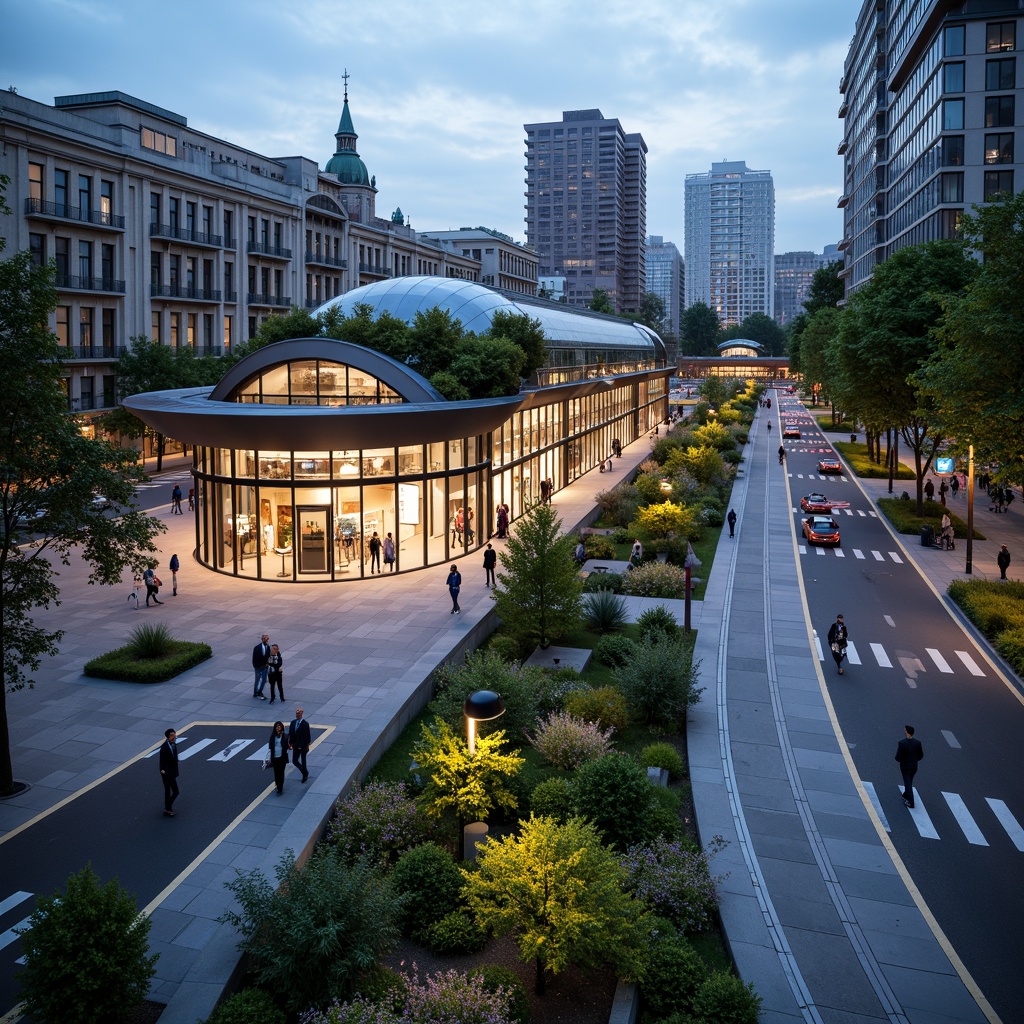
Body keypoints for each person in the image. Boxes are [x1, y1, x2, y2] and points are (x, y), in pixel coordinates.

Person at [895, 725, 924, 808]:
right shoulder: (917, 743)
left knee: (907, 783)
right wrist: (914, 760)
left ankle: (910, 802)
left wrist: (902, 760)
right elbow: (921, 755)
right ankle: (905, 794)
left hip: (905, 766)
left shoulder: (902, 743)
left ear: (907, 732)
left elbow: (898, 757)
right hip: (914, 766)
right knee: (909, 780)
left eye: (905, 730)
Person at [159, 727, 180, 817]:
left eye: (174, 734)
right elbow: (162, 762)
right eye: (172, 735)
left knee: (175, 791)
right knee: (170, 791)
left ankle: (167, 806)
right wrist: (164, 772)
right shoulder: (164, 748)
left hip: (172, 772)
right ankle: (168, 808)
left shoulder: (173, 745)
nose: (174, 736)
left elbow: (174, 758)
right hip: (167, 774)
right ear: (168, 737)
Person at [288, 707, 311, 784]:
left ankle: (304, 775)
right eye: (296, 713)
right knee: (294, 761)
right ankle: (304, 771)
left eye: (299, 713)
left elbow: (308, 736)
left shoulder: (305, 724)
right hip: (295, 745)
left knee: (303, 760)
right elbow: (291, 734)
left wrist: (307, 745)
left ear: (302, 714)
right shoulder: (293, 723)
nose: (297, 715)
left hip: (303, 745)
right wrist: (290, 743)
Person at [268, 721, 289, 795]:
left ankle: (280, 789)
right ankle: (278, 784)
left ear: (282, 727)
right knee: (276, 773)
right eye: (277, 726)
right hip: (275, 757)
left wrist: (289, 746)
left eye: (279, 726)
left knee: (281, 773)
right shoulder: (273, 736)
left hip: (282, 758)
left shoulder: (285, 736)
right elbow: (270, 747)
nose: (278, 728)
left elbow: (287, 746)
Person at [252, 633, 270, 700]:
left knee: (264, 680)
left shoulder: (268, 647)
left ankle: (259, 691)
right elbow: (254, 659)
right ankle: (255, 692)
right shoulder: (257, 648)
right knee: (257, 680)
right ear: (262, 639)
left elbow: (268, 657)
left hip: (265, 667)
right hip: (258, 667)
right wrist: (257, 667)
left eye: (267, 638)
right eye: (265, 638)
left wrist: (267, 664)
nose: (266, 640)